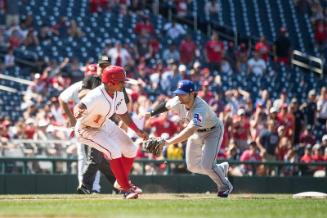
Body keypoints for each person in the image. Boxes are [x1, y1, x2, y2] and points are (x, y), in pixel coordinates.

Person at [143, 80, 233, 198]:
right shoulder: (178, 101)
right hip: (197, 132)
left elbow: (190, 131)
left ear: (193, 94)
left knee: (207, 165)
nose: (179, 96)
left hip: (213, 131)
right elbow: (165, 105)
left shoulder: (200, 108)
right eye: (178, 93)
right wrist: (151, 113)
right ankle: (220, 168)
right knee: (192, 166)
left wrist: (168, 142)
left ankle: (225, 186)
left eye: (183, 94)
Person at [74, 66, 148, 199]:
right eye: (121, 81)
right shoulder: (96, 94)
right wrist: (77, 111)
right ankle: (126, 189)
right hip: (86, 128)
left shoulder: (118, 93)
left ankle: (121, 182)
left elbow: (123, 114)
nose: (123, 84)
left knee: (131, 148)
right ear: (110, 82)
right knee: (113, 150)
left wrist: (137, 131)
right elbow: (79, 107)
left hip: (103, 123)